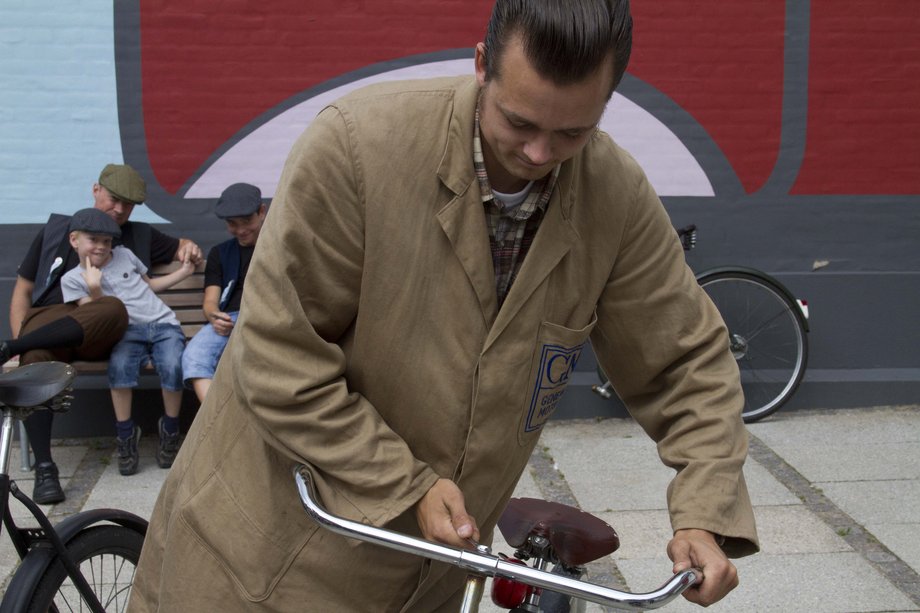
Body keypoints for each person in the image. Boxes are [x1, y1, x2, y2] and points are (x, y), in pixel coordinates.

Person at [132, 1, 759, 610]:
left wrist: (703, 512)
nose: (539, 154)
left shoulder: (614, 197)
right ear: (482, 63)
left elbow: (686, 363)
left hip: (431, 577)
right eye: (519, 122)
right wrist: (406, 484)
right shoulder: (355, 148)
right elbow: (276, 355)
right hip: (263, 555)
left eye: (573, 131)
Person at [2, 163, 202, 502]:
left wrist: (188, 246)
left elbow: (181, 246)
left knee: (112, 306)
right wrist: (24, 340)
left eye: (129, 204)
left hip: (102, 333)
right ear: (96, 190)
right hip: (51, 327)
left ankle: (12, 345)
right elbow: (23, 289)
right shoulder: (56, 231)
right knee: (35, 359)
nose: (120, 209)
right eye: (114, 199)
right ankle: (46, 468)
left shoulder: (137, 237)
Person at [59, 208, 195, 475]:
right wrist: (95, 289)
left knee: (173, 364)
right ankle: (125, 434)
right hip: (126, 332)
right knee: (119, 367)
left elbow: (149, 285)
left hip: (163, 324)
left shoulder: (125, 255)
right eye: (93, 240)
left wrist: (184, 272)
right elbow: (100, 317)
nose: (101, 247)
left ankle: (170, 428)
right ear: (74, 240)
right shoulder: (72, 280)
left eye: (107, 241)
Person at [182, 183, 266, 402]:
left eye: (246, 221)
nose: (240, 230)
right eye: (232, 223)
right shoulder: (221, 253)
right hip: (230, 320)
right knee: (195, 355)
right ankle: (215, 420)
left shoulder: (279, 245)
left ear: (261, 212)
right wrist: (215, 317)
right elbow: (210, 301)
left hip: (268, 319)